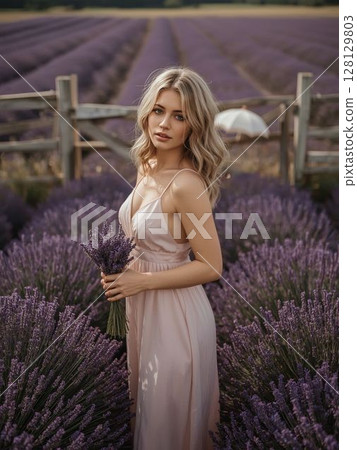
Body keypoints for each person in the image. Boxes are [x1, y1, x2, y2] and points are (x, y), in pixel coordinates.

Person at [101, 66, 230, 450]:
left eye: (179, 116)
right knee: (148, 418)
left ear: (195, 125)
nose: (164, 124)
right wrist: (118, 271)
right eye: (159, 110)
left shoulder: (187, 184)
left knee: (165, 426)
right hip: (142, 312)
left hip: (178, 321)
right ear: (146, 113)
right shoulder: (148, 165)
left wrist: (142, 281)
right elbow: (143, 239)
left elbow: (211, 265)